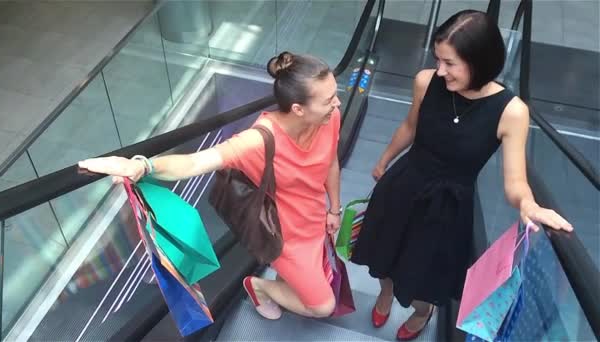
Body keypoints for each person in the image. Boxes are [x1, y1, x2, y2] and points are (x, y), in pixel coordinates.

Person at [350, 10, 573, 341]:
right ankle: (385, 293)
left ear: (479, 61)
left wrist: (528, 203)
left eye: (450, 63)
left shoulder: (511, 111)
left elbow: (515, 181)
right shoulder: (426, 81)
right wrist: (384, 160)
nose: (440, 70)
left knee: (425, 277)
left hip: (447, 209)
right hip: (404, 184)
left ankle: (422, 313)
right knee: (383, 255)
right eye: (437, 59)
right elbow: (411, 126)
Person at [78, 52, 343, 320]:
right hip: (283, 235)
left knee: (308, 278)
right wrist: (144, 166)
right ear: (298, 109)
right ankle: (259, 286)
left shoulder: (329, 118)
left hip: (316, 217)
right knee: (322, 306)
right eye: (329, 99)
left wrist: (334, 208)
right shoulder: (258, 141)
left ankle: (285, 283)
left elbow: (330, 161)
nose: (338, 102)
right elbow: (196, 163)